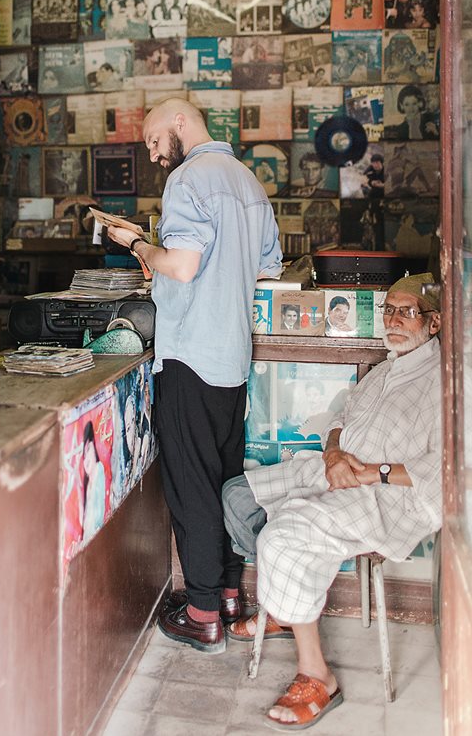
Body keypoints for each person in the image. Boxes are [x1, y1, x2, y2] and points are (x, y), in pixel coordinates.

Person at [223, 272, 441, 730]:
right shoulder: (385, 369)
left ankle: (318, 677)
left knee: (284, 536)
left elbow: (444, 469)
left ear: (434, 322)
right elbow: (341, 418)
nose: (394, 320)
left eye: (407, 312)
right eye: (389, 310)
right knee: (238, 495)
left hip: (384, 495)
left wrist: (373, 472)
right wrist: (335, 451)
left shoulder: (443, 382)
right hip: (334, 470)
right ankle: (285, 606)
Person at [106, 97, 282, 654]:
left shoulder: (188, 180)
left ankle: (203, 612)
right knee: (226, 477)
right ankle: (231, 595)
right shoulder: (249, 182)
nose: (156, 155)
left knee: (192, 485)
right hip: (232, 359)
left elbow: (182, 265)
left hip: (189, 356)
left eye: (155, 140)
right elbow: (266, 269)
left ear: (180, 121)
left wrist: (136, 242)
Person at [81, 422, 106, 542]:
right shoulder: (88, 485)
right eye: (83, 455)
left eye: (88, 449)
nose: (86, 460)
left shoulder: (98, 470)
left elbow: (98, 518)